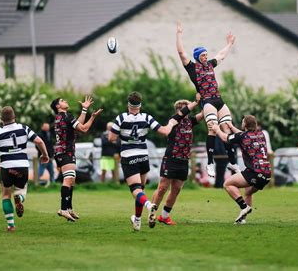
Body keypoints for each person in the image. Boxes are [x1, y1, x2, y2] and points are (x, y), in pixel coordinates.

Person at [108, 91, 179, 231]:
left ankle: (149, 205)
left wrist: (123, 136)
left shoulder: (121, 117)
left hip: (129, 156)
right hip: (143, 157)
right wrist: (171, 123)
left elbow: (111, 138)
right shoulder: (147, 117)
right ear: (140, 104)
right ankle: (137, 220)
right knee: (141, 190)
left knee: (135, 190)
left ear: (128, 104)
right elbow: (165, 131)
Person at [176, 21, 238, 178]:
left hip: (219, 99)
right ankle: (210, 163)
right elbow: (182, 53)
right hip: (207, 101)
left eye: (206, 54)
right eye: (203, 55)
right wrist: (179, 35)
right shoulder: (192, 68)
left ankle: (232, 161)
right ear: (197, 57)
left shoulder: (210, 65)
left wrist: (229, 44)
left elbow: (221, 55)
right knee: (212, 128)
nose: (206, 56)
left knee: (228, 128)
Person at [0, 106, 50, 232]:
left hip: (6, 167)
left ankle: (11, 225)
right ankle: (20, 198)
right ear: (14, 117)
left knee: (6, 195)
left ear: (1, 119)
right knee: (21, 190)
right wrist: (45, 155)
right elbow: (39, 142)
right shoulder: (24, 128)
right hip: (22, 166)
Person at [150, 97, 202, 227]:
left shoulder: (190, 121)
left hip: (184, 161)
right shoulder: (173, 121)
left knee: (176, 189)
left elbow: (203, 114)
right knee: (162, 188)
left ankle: (165, 216)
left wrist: (209, 101)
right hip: (171, 159)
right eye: (182, 108)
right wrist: (193, 103)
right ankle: (152, 213)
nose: (185, 110)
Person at [210, 115, 271, 224]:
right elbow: (243, 135)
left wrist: (217, 129)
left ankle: (244, 207)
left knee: (227, 184)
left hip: (255, 172)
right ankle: (242, 219)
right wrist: (232, 127)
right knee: (247, 192)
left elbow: (225, 138)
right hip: (267, 173)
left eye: (243, 122)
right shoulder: (260, 134)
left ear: (245, 124)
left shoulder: (243, 136)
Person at [51, 96, 102, 221]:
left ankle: (69, 209)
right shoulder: (67, 116)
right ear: (58, 106)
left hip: (61, 152)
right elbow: (83, 128)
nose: (66, 100)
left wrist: (84, 110)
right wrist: (93, 117)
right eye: (62, 100)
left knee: (71, 180)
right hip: (65, 152)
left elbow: (77, 125)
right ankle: (63, 209)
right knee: (68, 180)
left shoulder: (60, 117)